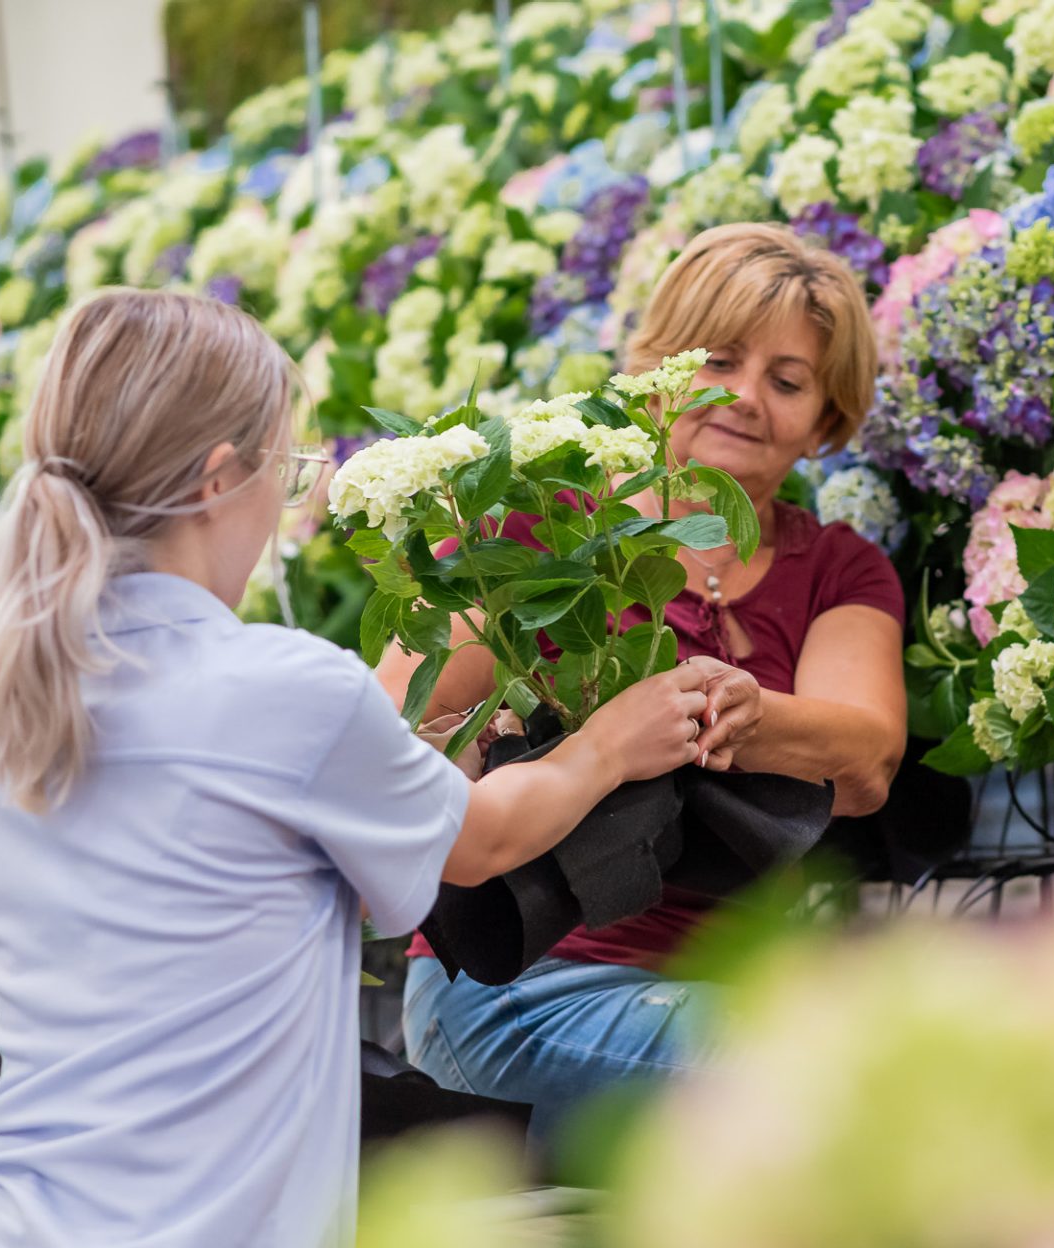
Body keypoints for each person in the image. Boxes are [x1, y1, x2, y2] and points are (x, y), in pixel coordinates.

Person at [0, 291, 712, 1248]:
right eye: (283, 473)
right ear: (217, 482)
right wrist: (609, 744)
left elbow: (238, 880)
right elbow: (486, 839)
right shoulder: (283, 689)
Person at [385, 223, 908, 1136]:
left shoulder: (837, 568)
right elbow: (381, 744)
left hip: (727, 994)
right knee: (830, 1081)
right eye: (720, 362)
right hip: (519, 990)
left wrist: (746, 712)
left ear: (827, 421)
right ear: (658, 363)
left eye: (786, 382)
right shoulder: (539, 528)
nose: (746, 397)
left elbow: (865, 760)